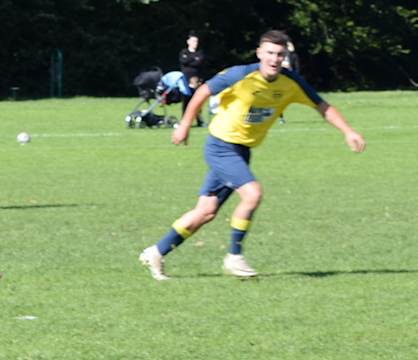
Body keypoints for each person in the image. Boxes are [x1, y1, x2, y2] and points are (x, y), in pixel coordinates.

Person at [138, 30, 365, 280]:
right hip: (220, 146)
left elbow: (322, 106)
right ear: (259, 53)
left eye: (280, 54)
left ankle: (156, 253)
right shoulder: (240, 75)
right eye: (269, 53)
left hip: (241, 151)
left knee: (205, 212)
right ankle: (234, 257)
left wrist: (347, 131)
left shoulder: (291, 82)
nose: (274, 59)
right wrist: (184, 125)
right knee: (252, 193)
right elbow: (203, 91)